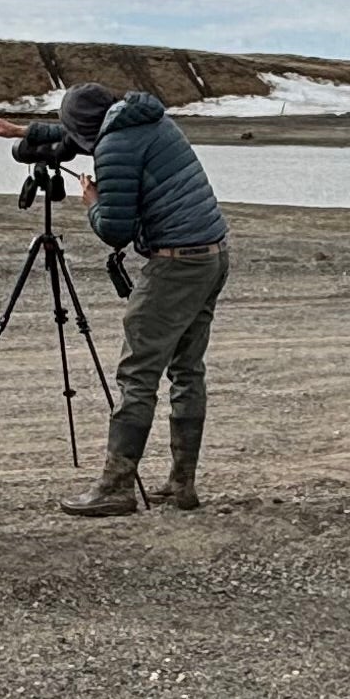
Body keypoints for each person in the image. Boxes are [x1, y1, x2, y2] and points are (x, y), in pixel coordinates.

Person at [73, 83, 232, 516]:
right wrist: (24, 132)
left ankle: (116, 487)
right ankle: (182, 484)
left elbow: (116, 230)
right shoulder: (148, 119)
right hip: (212, 254)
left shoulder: (114, 145)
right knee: (187, 368)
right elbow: (78, 134)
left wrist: (93, 203)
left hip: (176, 264)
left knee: (137, 373)